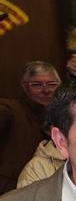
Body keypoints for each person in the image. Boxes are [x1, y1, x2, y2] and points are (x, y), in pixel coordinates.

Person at [0, 62, 58, 193]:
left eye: (52, 84)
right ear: (25, 87)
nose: (46, 90)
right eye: (37, 85)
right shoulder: (10, 111)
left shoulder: (63, 115)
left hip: (49, 193)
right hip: (10, 194)